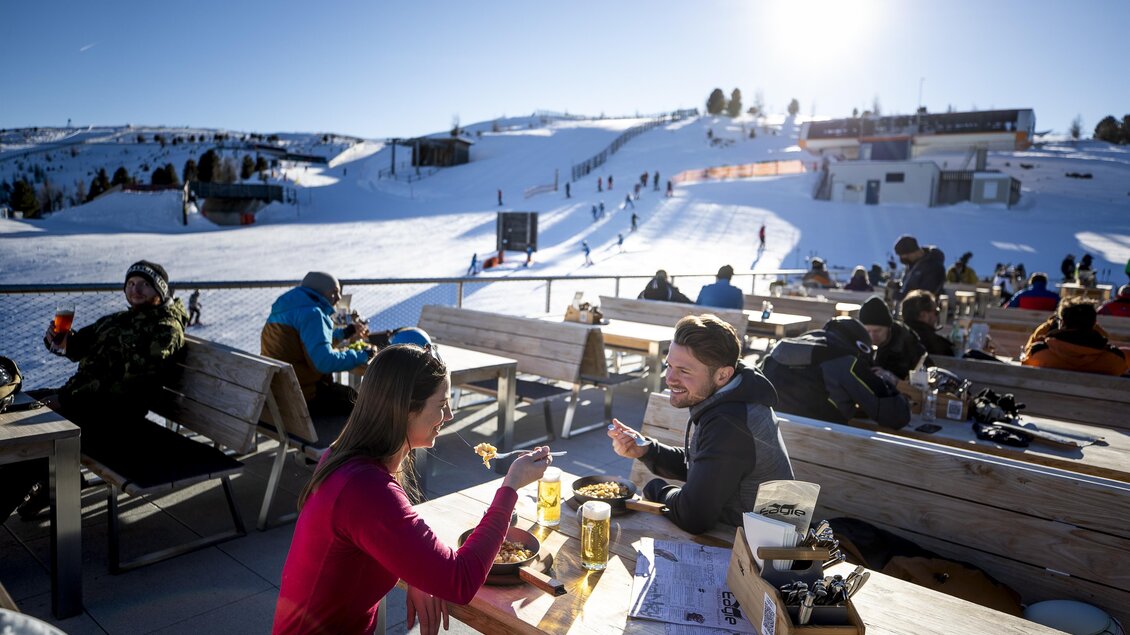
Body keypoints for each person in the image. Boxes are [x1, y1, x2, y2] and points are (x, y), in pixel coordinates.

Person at [273, 344, 553, 634]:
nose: (450, 415)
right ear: (406, 409)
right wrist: (510, 487)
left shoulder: (343, 456)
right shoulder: (365, 488)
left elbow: (383, 537)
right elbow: (460, 581)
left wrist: (416, 571)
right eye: (442, 404)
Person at [2, 260, 189, 521]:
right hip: (86, 400)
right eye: (131, 284)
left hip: (117, 417)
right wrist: (62, 342)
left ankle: (44, 481)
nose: (135, 290)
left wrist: (65, 401)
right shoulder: (118, 319)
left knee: (38, 434)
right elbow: (79, 346)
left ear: (160, 291)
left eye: (145, 285)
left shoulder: (165, 330)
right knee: (15, 405)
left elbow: (128, 386)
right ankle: (57, 479)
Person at [606, 315, 793, 534]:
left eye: (684, 371)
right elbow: (705, 466)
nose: (669, 378)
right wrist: (647, 450)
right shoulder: (733, 396)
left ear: (722, 375)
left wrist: (654, 489)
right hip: (734, 528)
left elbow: (693, 516)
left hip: (753, 546)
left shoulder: (730, 424)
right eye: (669, 366)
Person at [758, 316, 911, 429]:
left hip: (770, 445)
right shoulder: (846, 361)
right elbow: (897, 417)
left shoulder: (775, 355)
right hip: (822, 451)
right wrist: (886, 382)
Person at [261, 272, 372, 418]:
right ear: (320, 292)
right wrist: (363, 355)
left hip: (278, 397)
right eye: (335, 292)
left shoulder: (287, 308)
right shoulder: (313, 313)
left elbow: (308, 341)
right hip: (303, 398)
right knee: (361, 404)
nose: (339, 298)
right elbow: (323, 362)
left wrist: (346, 332)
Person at [1020, 297, 1128, 376]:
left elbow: (1024, 365)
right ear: (1094, 324)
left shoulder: (1038, 354)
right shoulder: (1115, 360)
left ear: (1061, 323)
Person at [858, 296, 927, 380]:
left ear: (889, 327)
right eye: (868, 331)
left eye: (877, 331)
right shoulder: (859, 339)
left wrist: (892, 378)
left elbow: (918, 384)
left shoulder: (907, 345)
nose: (872, 336)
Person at [892, 234, 946, 302]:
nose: (902, 259)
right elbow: (909, 285)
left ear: (912, 252)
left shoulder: (933, 266)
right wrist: (898, 285)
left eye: (904, 256)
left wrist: (897, 295)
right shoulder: (912, 265)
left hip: (922, 311)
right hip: (908, 308)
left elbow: (924, 296)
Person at [901, 290, 954, 357]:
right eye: (936, 312)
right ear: (923, 315)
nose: (937, 317)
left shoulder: (892, 338)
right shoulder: (938, 345)